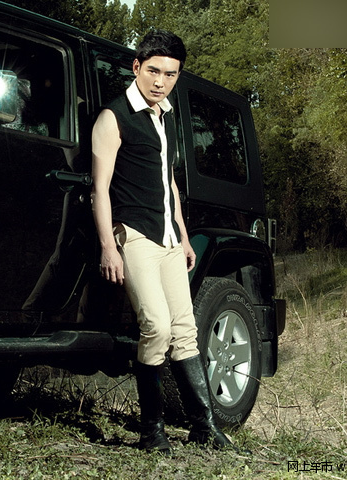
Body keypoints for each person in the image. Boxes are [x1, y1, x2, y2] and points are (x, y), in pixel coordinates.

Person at [91, 29, 237, 455]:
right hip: (135, 234)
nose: (160, 82)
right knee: (155, 326)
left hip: (170, 239)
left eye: (170, 74)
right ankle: (151, 432)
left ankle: (203, 428)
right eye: (153, 71)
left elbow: (168, 181)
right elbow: (100, 188)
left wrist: (184, 237)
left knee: (185, 331)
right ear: (137, 67)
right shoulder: (113, 117)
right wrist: (108, 246)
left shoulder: (166, 115)